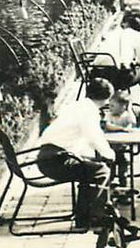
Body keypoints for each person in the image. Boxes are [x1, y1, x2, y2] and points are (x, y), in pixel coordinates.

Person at [36, 78, 117, 228]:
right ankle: (93, 217)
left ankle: (85, 216)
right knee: (101, 171)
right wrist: (110, 154)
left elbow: (76, 139)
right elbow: (94, 137)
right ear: (107, 98)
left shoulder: (76, 105)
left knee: (90, 169)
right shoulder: (89, 111)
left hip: (48, 156)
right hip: (55, 161)